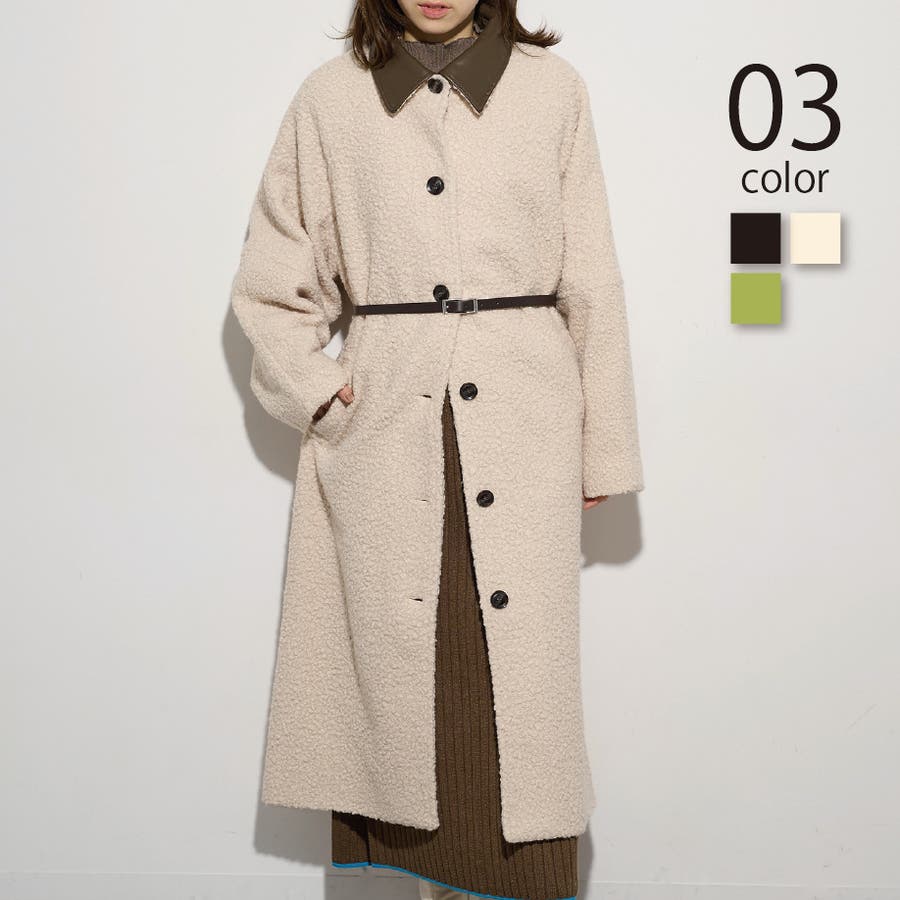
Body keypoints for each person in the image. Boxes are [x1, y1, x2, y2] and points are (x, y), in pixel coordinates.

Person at [230, 1, 645, 898]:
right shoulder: (330, 100)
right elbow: (270, 286)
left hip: (525, 422)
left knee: (514, 687)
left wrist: (603, 445)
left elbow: (592, 278)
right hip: (385, 432)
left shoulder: (553, 93)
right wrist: (319, 391)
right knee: (394, 674)